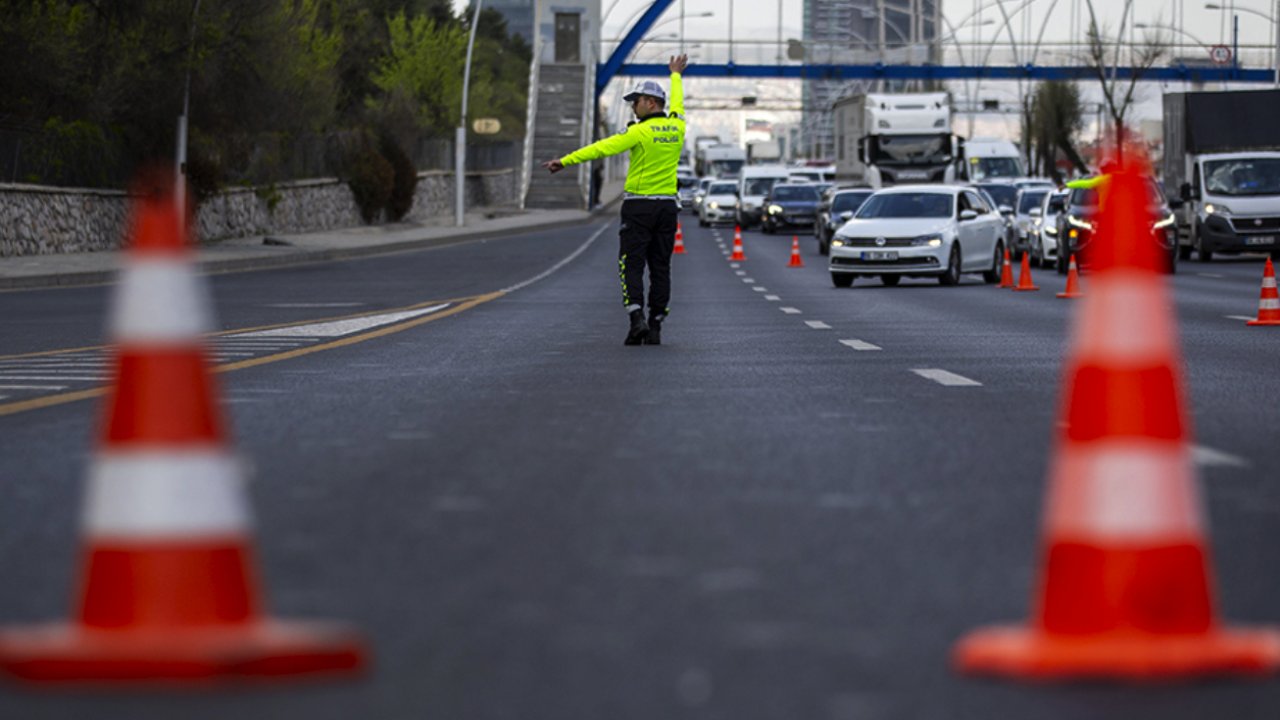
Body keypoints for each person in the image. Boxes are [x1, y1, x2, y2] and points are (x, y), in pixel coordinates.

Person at [543, 54, 689, 346]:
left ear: (649, 102)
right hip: (667, 208)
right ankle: (657, 323)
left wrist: (565, 161)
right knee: (661, 266)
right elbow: (679, 105)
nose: (633, 108)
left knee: (631, 264)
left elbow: (601, 148)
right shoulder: (678, 127)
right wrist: (675, 75)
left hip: (639, 207)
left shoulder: (638, 132)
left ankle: (637, 319)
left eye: (635, 102)